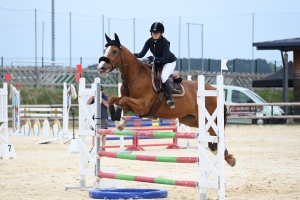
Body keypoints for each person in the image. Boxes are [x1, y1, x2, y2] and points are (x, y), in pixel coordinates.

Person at [134, 22, 177, 109]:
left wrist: (154, 58)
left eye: (156, 33)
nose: (154, 34)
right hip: (158, 62)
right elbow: (142, 54)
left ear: (161, 33)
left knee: (164, 77)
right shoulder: (149, 41)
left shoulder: (165, 43)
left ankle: (170, 98)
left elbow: (165, 58)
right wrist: (133, 55)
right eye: (153, 32)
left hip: (168, 62)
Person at [87, 85, 109, 151]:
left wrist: (101, 99)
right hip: (96, 116)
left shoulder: (105, 97)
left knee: (104, 133)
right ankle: (93, 146)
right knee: (94, 132)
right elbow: (88, 103)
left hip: (103, 116)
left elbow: (107, 105)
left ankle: (103, 147)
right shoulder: (95, 97)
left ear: (102, 90)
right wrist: (94, 96)